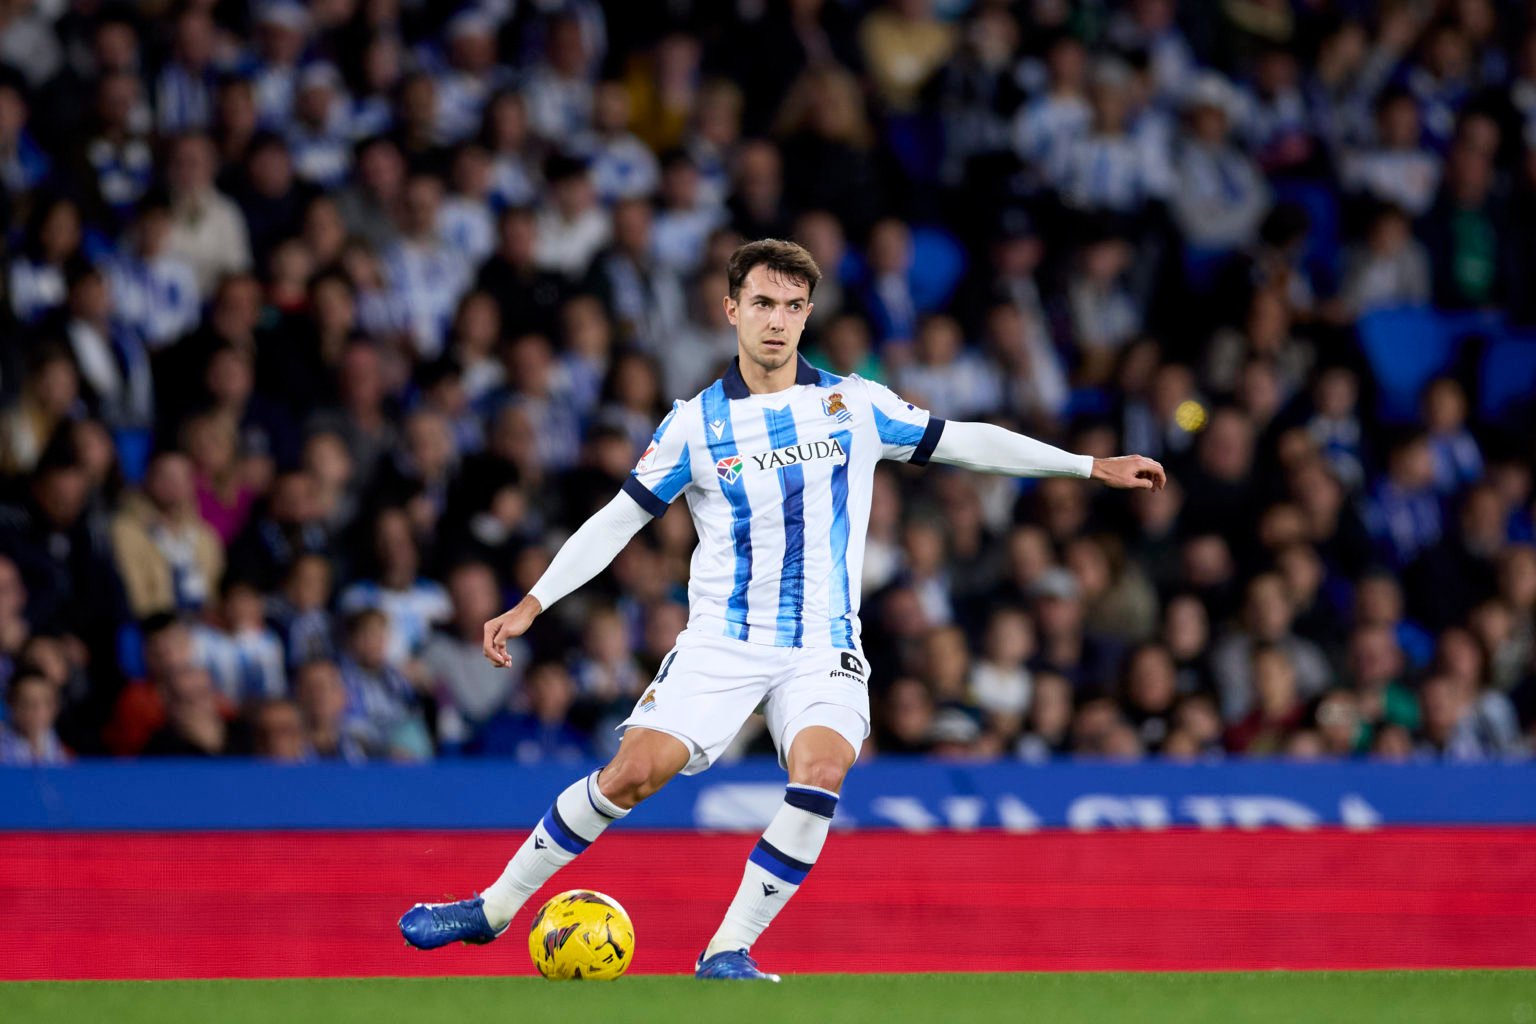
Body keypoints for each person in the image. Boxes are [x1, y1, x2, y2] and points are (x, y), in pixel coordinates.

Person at [397, 238, 1164, 979]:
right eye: (761, 302)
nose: (776, 319)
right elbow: (618, 520)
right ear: (731, 309)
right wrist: (533, 602)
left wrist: (1089, 465)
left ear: (807, 315)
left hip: (821, 642)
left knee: (822, 770)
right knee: (631, 776)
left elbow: (963, 439)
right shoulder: (695, 425)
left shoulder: (851, 405)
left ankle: (726, 950)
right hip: (723, 641)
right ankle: (493, 909)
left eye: (792, 305)